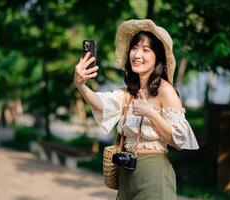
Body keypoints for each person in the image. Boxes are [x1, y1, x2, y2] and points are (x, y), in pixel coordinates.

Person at [74, 19, 199, 200]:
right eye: (134, 48)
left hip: (153, 176)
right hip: (126, 176)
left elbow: (178, 140)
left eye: (146, 50)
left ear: (158, 57)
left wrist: (150, 112)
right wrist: (81, 85)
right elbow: (102, 104)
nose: (137, 54)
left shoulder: (165, 91)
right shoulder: (128, 93)